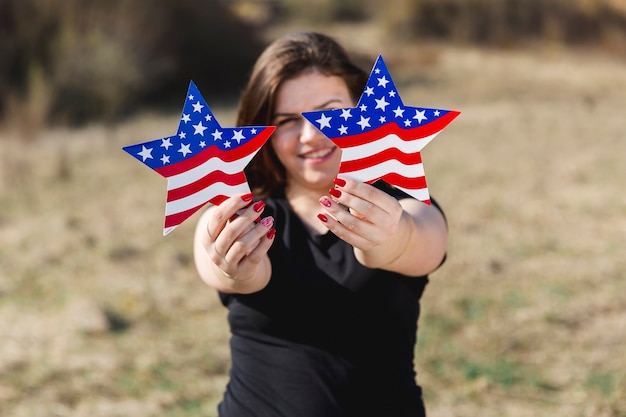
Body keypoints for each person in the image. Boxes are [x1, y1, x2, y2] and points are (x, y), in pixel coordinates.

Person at [193, 31, 448, 417]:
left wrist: (390, 237)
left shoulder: (405, 206)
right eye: (287, 121)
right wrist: (233, 263)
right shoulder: (242, 216)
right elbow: (227, 269)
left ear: (362, 109)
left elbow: (417, 241)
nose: (312, 135)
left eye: (329, 112)